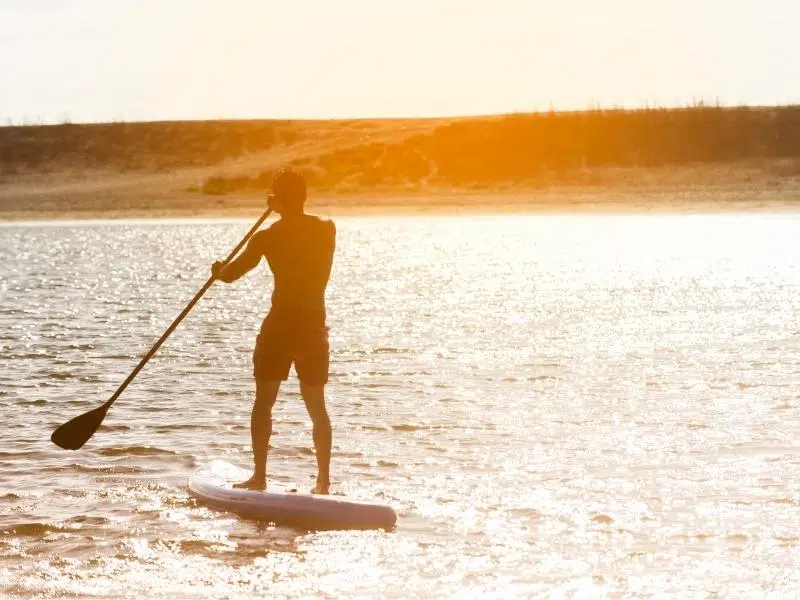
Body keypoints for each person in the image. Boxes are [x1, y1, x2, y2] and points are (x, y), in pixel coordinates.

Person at [211, 169, 336, 494]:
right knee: (317, 407)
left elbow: (230, 275)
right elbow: (300, 228)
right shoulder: (327, 229)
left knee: (264, 402)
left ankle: (259, 477)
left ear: (276, 199)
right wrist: (283, 205)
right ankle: (323, 482)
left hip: (280, 326)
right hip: (313, 327)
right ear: (304, 196)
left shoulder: (267, 237)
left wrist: (218, 269)